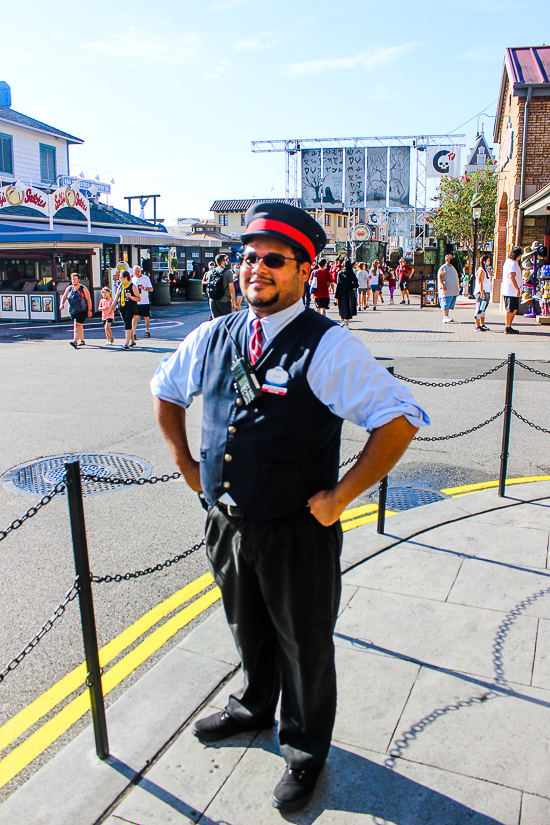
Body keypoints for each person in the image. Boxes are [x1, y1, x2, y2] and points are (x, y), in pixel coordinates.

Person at [150, 201, 429, 814]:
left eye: (273, 260)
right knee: (246, 626)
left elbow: (401, 419)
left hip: (297, 531)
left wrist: (339, 497)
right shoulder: (214, 334)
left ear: (304, 269)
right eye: (247, 258)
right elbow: (165, 392)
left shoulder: (327, 345)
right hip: (226, 521)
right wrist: (185, 466)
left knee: (304, 646)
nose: (256, 269)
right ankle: (252, 706)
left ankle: (304, 751)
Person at [60, 272, 92, 348]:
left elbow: (88, 299)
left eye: (75, 279)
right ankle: (82, 340)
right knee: (79, 326)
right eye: (72, 279)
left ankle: (75, 341)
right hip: (73, 310)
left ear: (78, 280)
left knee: (76, 325)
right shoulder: (69, 288)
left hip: (82, 310)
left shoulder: (83, 288)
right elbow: (64, 296)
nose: (73, 281)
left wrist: (90, 310)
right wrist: (62, 304)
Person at [114, 269, 140, 348]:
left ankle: (126, 344)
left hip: (130, 307)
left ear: (126, 278)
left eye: (121, 277)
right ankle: (133, 341)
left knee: (128, 324)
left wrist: (131, 296)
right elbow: (116, 298)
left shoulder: (132, 286)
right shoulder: (120, 286)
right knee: (127, 324)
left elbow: (138, 298)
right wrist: (111, 308)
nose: (120, 279)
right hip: (122, 307)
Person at [501, 247, 523, 334]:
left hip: (510, 291)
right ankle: (508, 326)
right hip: (512, 291)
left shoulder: (508, 262)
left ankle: (509, 325)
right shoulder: (512, 264)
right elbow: (512, 277)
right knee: (511, 309)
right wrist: (517, 288)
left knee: (514, 309)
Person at [131, 265, 153, 339]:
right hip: (136, 301)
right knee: (135, 317)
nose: (137, 273)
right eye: (135, 271)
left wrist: (144, 288)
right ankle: (134, 333)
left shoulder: (146, 278)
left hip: (144, 301)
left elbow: (151, 289)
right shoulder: (133, 279)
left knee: (146, 316)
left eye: (138, 271)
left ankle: (147, 331)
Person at [437, 253, 460, 324]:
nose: (452, 259)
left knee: (449, 303)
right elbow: (440, 276)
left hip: (452, 291)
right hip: (446, 290)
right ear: (447, 259)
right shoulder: (444, 267)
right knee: (445, 303)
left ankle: (447, 316)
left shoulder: (452, 267)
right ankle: (445, 317)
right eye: (451, 258)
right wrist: (442, 284)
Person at [335, 259, 358, 327]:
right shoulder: (351, 273)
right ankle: (347, 323)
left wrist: (337, 296)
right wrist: (352, 285)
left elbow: (338, 284)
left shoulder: (340, 273)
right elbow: (356, 283)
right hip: (349, 292)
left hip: (342, 293)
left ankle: (342, 320)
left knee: (342, 307)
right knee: (349, 307)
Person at [474, 254, 492, 332]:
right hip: (482, 292)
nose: (489, 262)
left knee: (483, 309)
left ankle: (482, 324)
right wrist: (482, 293)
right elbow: (480, 282)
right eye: (488, 261)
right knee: (479, 308)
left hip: (487, 291)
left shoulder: (485, 270)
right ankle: (477, 326)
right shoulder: (481, 270)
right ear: (484, 261)